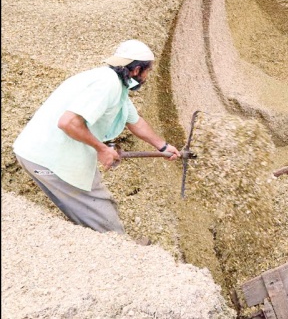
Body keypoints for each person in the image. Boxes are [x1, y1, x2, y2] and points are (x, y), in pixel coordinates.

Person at [12, 40, 181, 234]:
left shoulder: (116, 85)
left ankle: (96, 242)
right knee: (99, 209)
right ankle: (120, 250)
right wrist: (102, 149)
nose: (147, 77)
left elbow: (135, 122)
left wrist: (163, 146)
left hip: (37, 152)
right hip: (49, 158)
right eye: (147, 72)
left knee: (83, 208)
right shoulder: (107, 85)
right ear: (136, 70)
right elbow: (68, 122)